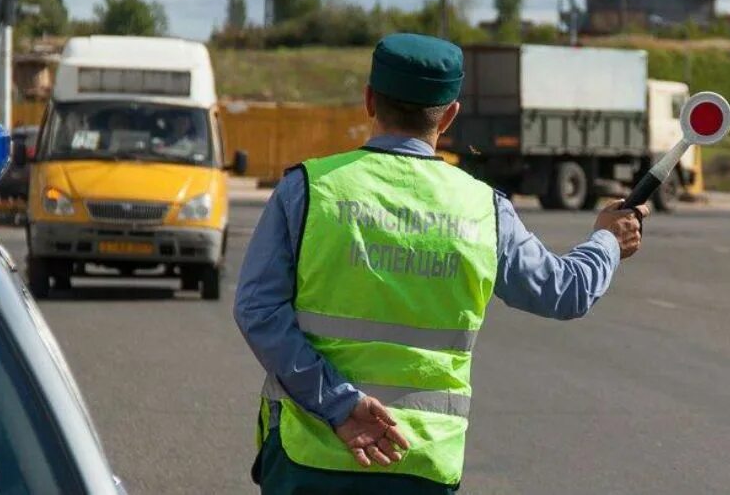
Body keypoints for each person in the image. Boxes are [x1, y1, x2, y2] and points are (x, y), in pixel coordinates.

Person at [234, 33, 649, 495]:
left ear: (369, 100)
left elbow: (258, 309)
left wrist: (338, 404)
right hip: (422, 460)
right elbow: (565, 291)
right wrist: (608, 240)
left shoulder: (307, 190)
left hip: (307, 454)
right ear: (450, 115)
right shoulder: (482, 207)